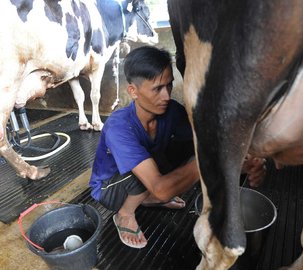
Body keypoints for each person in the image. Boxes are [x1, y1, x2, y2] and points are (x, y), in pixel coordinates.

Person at [89, 46, 266, 249]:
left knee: (191, 147)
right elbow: (163, 188)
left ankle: (147, 199)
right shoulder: (118, 126)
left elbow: (206, 142)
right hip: (109, 188)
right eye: (157, 89)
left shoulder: (171, 111)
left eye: (169, 85)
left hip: (147, 174)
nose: (166, 96)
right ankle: (125, 214)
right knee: (150, 176)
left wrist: (242, 161)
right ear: (133, 91)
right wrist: (210, 161)